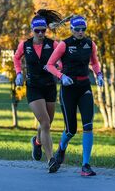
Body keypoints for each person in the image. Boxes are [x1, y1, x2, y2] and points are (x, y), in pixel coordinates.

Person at [45, 15, 104, 177]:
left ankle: (85, 165)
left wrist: (98, 74)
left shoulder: (90, 44)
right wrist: (61, 76)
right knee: (71, 130)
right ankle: (61, 148)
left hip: (84, 87)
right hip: (68, 89)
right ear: (71, 30)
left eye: (83, 29)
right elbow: (49, 65)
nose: (80, 32)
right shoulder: (64, 44)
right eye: (77, 29)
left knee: (88, 126)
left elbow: (94, 62)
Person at [13, 9, 63, 173]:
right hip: (34, 87)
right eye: (37, 31)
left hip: (49, 86)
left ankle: (37, 142)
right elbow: (16, 58)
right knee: (46, 123)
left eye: (43, 30)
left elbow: (61, 61)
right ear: (32, 30)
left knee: (48, 122)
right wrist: (19, 73)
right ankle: (51, 160)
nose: (41, 34)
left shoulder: (53, 44)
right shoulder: (25, 45)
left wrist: (59, 69)